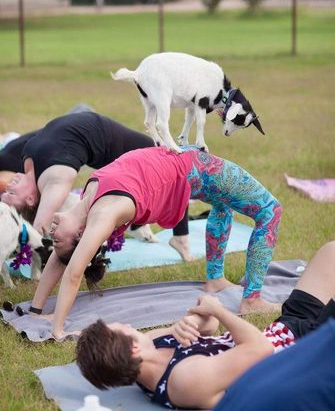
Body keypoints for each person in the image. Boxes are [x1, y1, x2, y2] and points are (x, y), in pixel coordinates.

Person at [29, 144, 281, 339]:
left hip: (179, 159)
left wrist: (36, 310)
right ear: (80, 235)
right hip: (191, 167)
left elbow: (62, 257)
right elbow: (73, 271)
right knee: (270, 209)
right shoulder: (103, 215)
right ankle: (252, 299)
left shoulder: (87, 201)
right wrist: (58, 329)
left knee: (222, 202)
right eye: (57, 241)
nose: (52, 235)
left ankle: (215, 280)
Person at [76, 241, 335, 410]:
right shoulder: (185, 381)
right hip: (303, 354)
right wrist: (219, 311)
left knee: (330, 253)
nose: (129, 324)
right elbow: (261, 349)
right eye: (123, 327)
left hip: (285, 330)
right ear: (133, 349)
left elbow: (208, 325)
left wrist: (193, 320)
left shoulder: (151, 346)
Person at [0, 109, 191, 259]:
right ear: (31, 199)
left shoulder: (27, 160)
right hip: (112, 147)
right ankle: (179, 237)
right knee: (174, 169)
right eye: (11, 193)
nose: (9, 185)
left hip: (106, 138)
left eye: (6, 191)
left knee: (169, 171)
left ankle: (147, 227)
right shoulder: (55, 180)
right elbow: (40, 232)